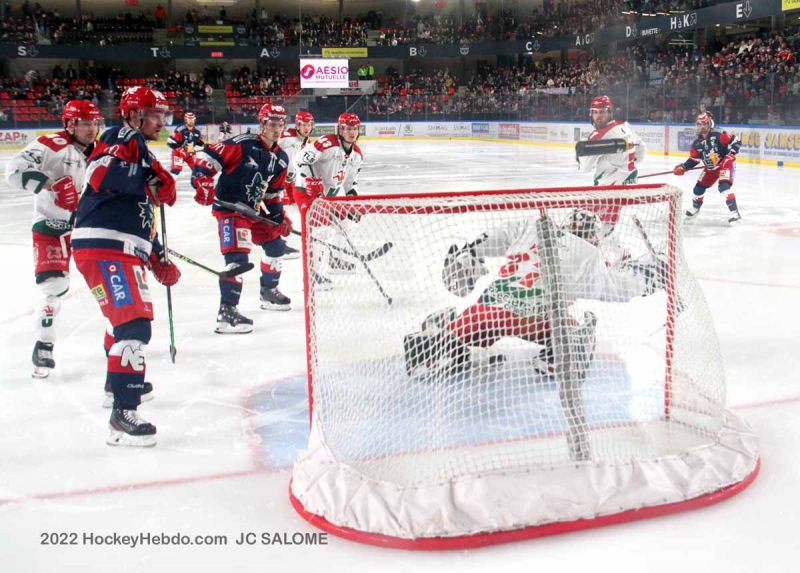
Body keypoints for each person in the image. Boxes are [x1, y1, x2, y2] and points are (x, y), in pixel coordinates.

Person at [404, 211, 666, 379]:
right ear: (591, 236)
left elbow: (498, 235)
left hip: (488, 309)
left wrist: (470, 254)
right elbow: (614, 288)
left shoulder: (532, 226)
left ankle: (441, 334)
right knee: (573, 327)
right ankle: (559, 357)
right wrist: (650, 275)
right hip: (536, 321)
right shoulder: (588, 254)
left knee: (461, 329)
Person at [71, 86, 181, 447]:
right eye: (155, 115)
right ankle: (123, 412)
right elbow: (101, 175)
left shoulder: (141, 149)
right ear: (134, 115)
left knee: (122, 321)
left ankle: (113, 384)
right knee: (134, 324)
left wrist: (155, 255)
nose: (161, 122)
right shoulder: (122, 135)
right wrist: (149, 178)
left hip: (119, 247)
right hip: (104, 245)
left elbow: (140, 214)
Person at [5, 100, 103, 379]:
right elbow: (13, 171)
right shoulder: (51, 144)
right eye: (85, 123)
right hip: (51, 227)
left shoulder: (101, 150)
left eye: (94, 122)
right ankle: (43, 346)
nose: (91, 128)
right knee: (55, 286)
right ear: (69, 124)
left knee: (108, 284)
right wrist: (52, 184)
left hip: (88, 227)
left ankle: (119, 342)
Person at [191, 103, 292, 331]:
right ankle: (227, 313)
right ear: (262, 124)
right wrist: (202, 181)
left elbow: (273, 193)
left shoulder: (281, 158)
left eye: (281, 125)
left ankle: (268, 292)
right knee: (238, 260)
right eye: (272, 124)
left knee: (276, 247)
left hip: (253, 211)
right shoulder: (243, 144)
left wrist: (278, 217)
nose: (277, 130)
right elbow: (207, 157)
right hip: (230, 210)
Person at [294, 112, 364, 284]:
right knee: (320, 231)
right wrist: (313, 180)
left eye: (354, 128)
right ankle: (312, 274)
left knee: (344, 224)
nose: (351, 132)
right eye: (347, 128)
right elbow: (300, 160)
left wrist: (352, 202)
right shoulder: (327, 143)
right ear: (340, 130)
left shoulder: (356, 154)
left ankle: (336, 259)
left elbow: (350, 181)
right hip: (306, 192)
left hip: (327, 197)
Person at [673, 112, 742, 224]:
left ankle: (735, 214)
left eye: (704, 123)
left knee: (724, 187)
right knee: (698, 188)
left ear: (709, 123)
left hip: (725, 165)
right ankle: (696, 208)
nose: (702, 126)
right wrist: (683, 167)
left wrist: (731, 155)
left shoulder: (719, 134)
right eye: (699, 124)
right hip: (711, 169)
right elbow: (694, 160)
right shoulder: (696, 144)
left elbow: (736, 141)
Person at [578, 96, 646, 186]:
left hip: (608, 189)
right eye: (595, 112)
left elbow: (585, 167)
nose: (598, 116)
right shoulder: (625, 125)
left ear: (610, 113)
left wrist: (579, 158)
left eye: (602, 112)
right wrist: (626, 166)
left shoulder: (598, 135)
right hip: (632, 182)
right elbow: (642, 150)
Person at [278, 110, 314, 260]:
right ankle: (279, 244)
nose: (306, 128)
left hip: (292, 182)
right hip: (278, 180)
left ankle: (310, 241)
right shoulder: (286, 136)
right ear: (297, 125)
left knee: (296, 210)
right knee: (279, 210)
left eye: (309, 125)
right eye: (303, 125)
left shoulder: (308, 142)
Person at [167, 112, 204, 176]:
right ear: (185, 120)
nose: (191, 122)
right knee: (176, 171)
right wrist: (180, 149)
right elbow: (169, 141)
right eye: (189, 120)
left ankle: (200, 184)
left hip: (190, 153)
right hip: (178, 153)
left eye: (192, 120)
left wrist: (205, 145)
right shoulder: (180, 129)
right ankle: (169, 185)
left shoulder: (197, 130)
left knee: (198, 170)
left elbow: (198, 141)